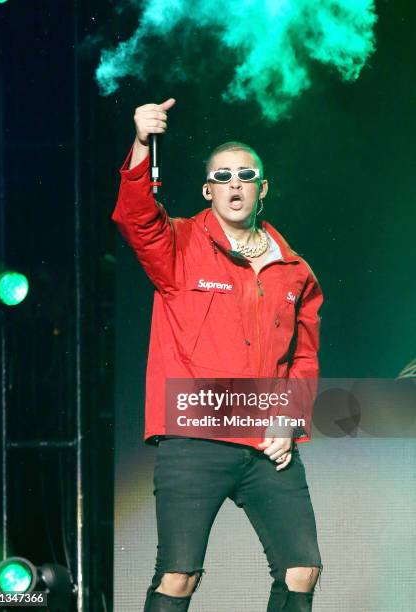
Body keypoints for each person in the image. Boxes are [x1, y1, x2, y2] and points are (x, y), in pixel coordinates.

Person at [112, 98, 324, 611]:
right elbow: (137, 218)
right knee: (179, 577)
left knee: (302, 570)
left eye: (245, 175)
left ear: (261, 188)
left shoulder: (294, 269)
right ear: (208, 190)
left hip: (265, 439)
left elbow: (304, 359)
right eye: (222, 176)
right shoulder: (179, 246)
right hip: (194, 436)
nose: (235, 184)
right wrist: (142, 143)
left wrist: (287, 419)